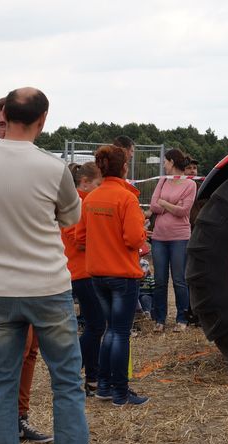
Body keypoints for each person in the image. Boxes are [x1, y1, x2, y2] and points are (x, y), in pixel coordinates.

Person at [0, 86, 106, 444]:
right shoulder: (52, 168)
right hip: (48, 286)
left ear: (4, 115)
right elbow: (71, 215)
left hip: (1, 288)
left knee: (3, 382)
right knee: (65, 381)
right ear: (43, 120)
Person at [0, 94, 51, 444]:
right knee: (8, 357)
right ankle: (5, 424)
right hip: (4, 275)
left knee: (29, 351)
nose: (2, 130)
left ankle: (18, 417)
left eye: (4, 123)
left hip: (33, 274)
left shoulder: (37, 163)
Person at [76, 144, 149, 406]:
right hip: (122, 274)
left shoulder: (92, 198)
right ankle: (120, 392)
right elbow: (133, 238)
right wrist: (142, 239)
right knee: (120, 332)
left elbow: (80, 237)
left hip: (97, 274)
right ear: (125, 168)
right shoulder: (126, 198)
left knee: (109, 330)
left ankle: (105, 386)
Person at [62, 161, 106, 396]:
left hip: (82, 270)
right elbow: (77, 238)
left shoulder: (80, 202)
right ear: (85, 182)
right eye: (98, 184)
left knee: (94, 325)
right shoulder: (78, 203)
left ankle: (92, 378)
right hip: (82, 271)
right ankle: (71, 372)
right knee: (96, 325)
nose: (101, 188)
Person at [149, 148, 196, 333]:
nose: (163, 165)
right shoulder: (162, 180)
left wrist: (164, 203)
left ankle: (182, 318)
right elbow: (153, 205)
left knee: (179, 280)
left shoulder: (190, 184)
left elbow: (184, 211)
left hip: (179, 238)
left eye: (165, 162)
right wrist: (172, 206)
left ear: (172, 162)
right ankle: (159, 320)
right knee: (160, 280)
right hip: (159, 237)